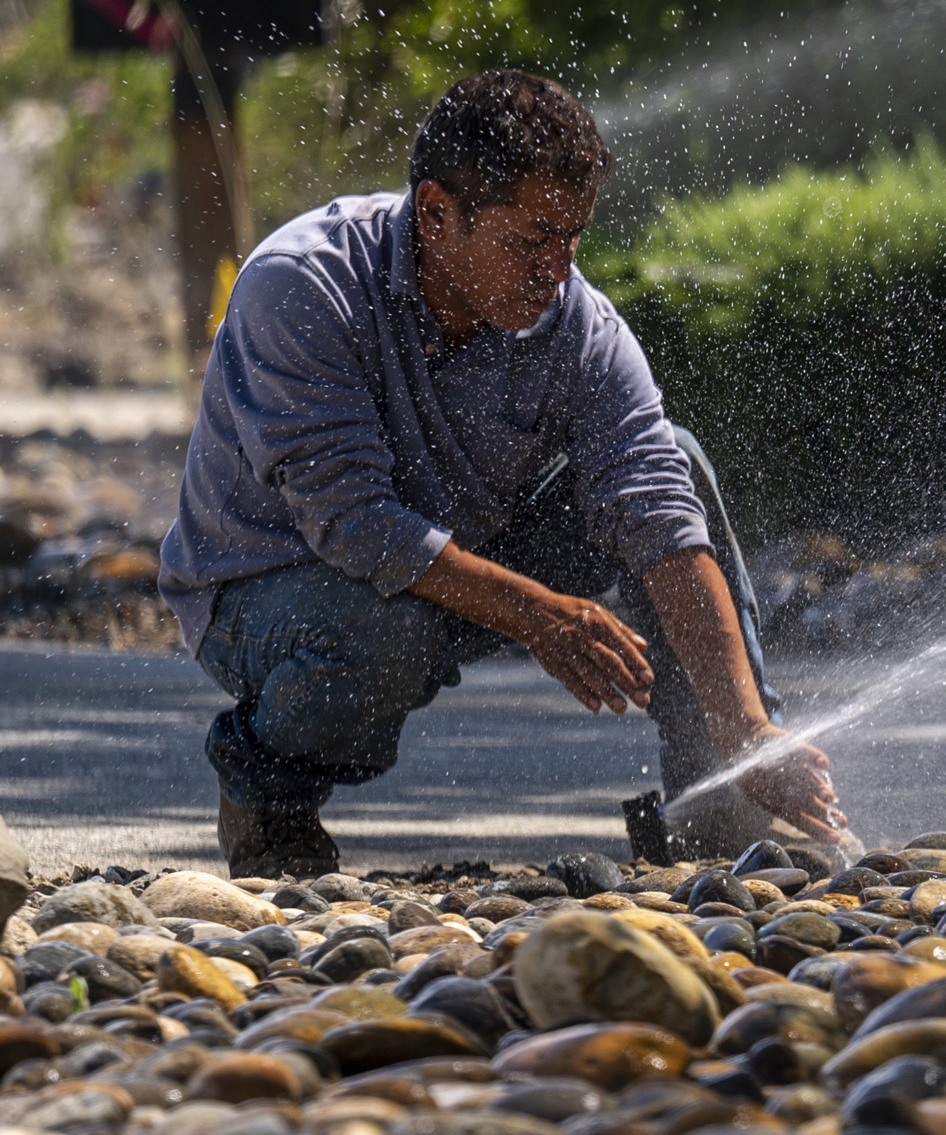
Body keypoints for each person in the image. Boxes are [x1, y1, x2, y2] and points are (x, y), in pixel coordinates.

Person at [158, 69, 846, 879]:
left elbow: (657, 504)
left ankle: (722, 804)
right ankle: (266, 801)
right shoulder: (301, 286)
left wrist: (747, 727)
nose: (557, 270)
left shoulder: (576, 323)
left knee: (682, 464)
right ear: (437, 214)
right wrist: (541, 617)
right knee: (384, 629)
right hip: (270, 588)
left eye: (572, 240)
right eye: (530, 240)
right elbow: (354, 525)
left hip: (457, 567)